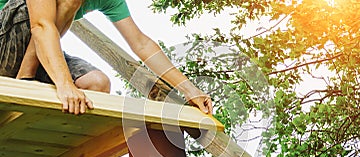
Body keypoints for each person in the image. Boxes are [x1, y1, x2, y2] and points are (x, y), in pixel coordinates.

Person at [0, 0, 213, 115]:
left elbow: (141, 43)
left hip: (34, 50)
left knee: (97, 85)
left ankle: (37, 126)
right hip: (4, 43)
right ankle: (25, 80)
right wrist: (64, 84)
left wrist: (189, 90)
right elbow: (41, 25)